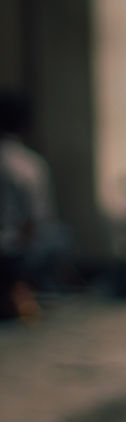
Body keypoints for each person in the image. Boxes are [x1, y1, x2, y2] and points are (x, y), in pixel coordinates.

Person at [0, 90, 60, 320]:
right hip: (12, 252)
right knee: (58, 236)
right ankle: (22, 287)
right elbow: (35, 220)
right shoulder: (27, 165)